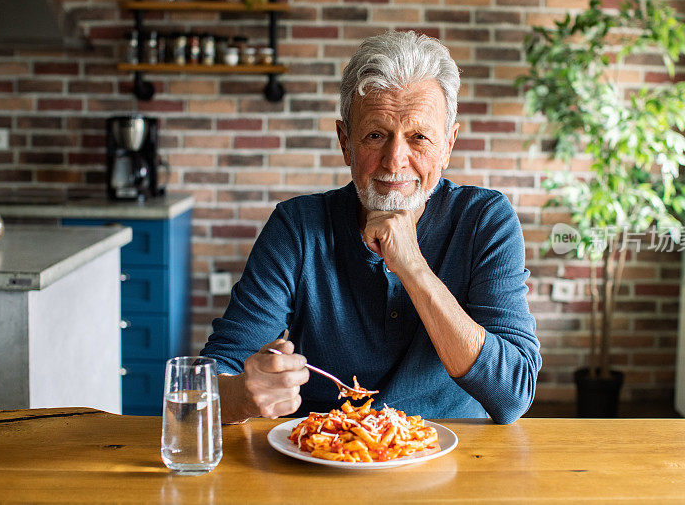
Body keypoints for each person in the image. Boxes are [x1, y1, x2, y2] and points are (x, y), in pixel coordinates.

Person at [201, 30, 541, 425]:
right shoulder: (297, 227)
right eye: (376, 135)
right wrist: (242, 394)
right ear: (345, 141)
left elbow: (513, 395)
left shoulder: (485, 219)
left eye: (419, 137)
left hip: (453, 461)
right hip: (323, 457)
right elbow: (214, 374)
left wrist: (413, 267)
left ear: (448, 144)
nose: (395, 160)